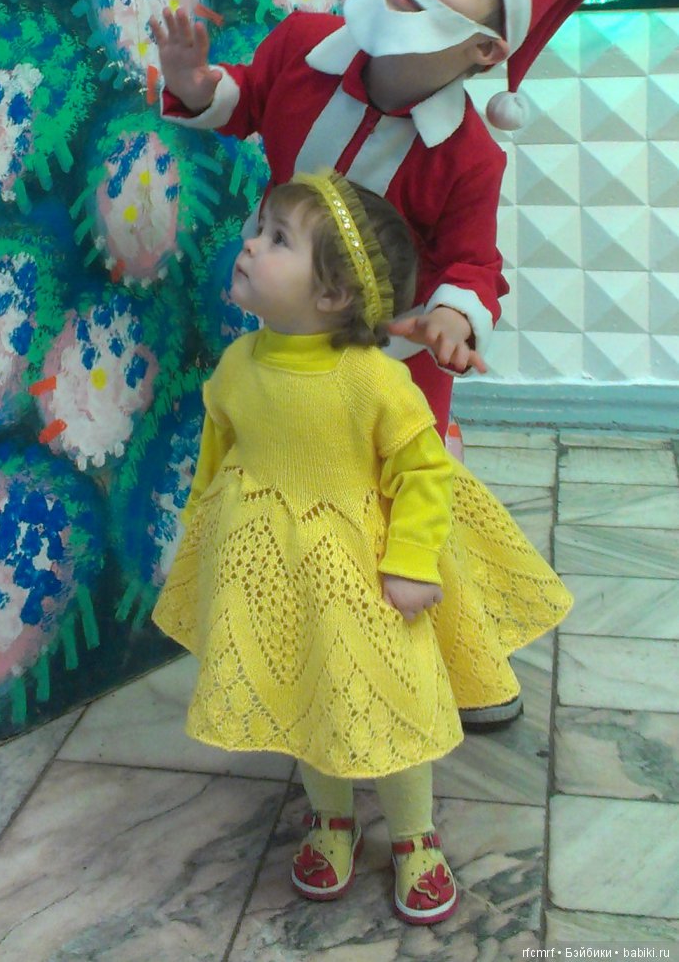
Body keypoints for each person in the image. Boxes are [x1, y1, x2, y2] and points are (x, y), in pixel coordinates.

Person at [152, 170, 572, 925]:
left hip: (363, 574)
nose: (250, 244)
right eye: (259, 229)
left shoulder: (374, 381)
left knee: (389, 694)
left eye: (277, 239)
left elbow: (424, 472)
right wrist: (203, 529)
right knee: (311, 690)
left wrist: (410, 562)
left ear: (333, 294)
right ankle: (332, 818)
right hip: (276, 567)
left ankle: (413, 834)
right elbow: (219, 449)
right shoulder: (238, 365)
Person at [149, 0, 591, 435]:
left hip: (394, 354)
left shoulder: (469, 159)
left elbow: (470, 263)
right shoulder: (303, 45)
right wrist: (199, 88)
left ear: (486, 48)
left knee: (392, 463)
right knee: (280, 438)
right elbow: (250, 98)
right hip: (288, 315)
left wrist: (452, 318)